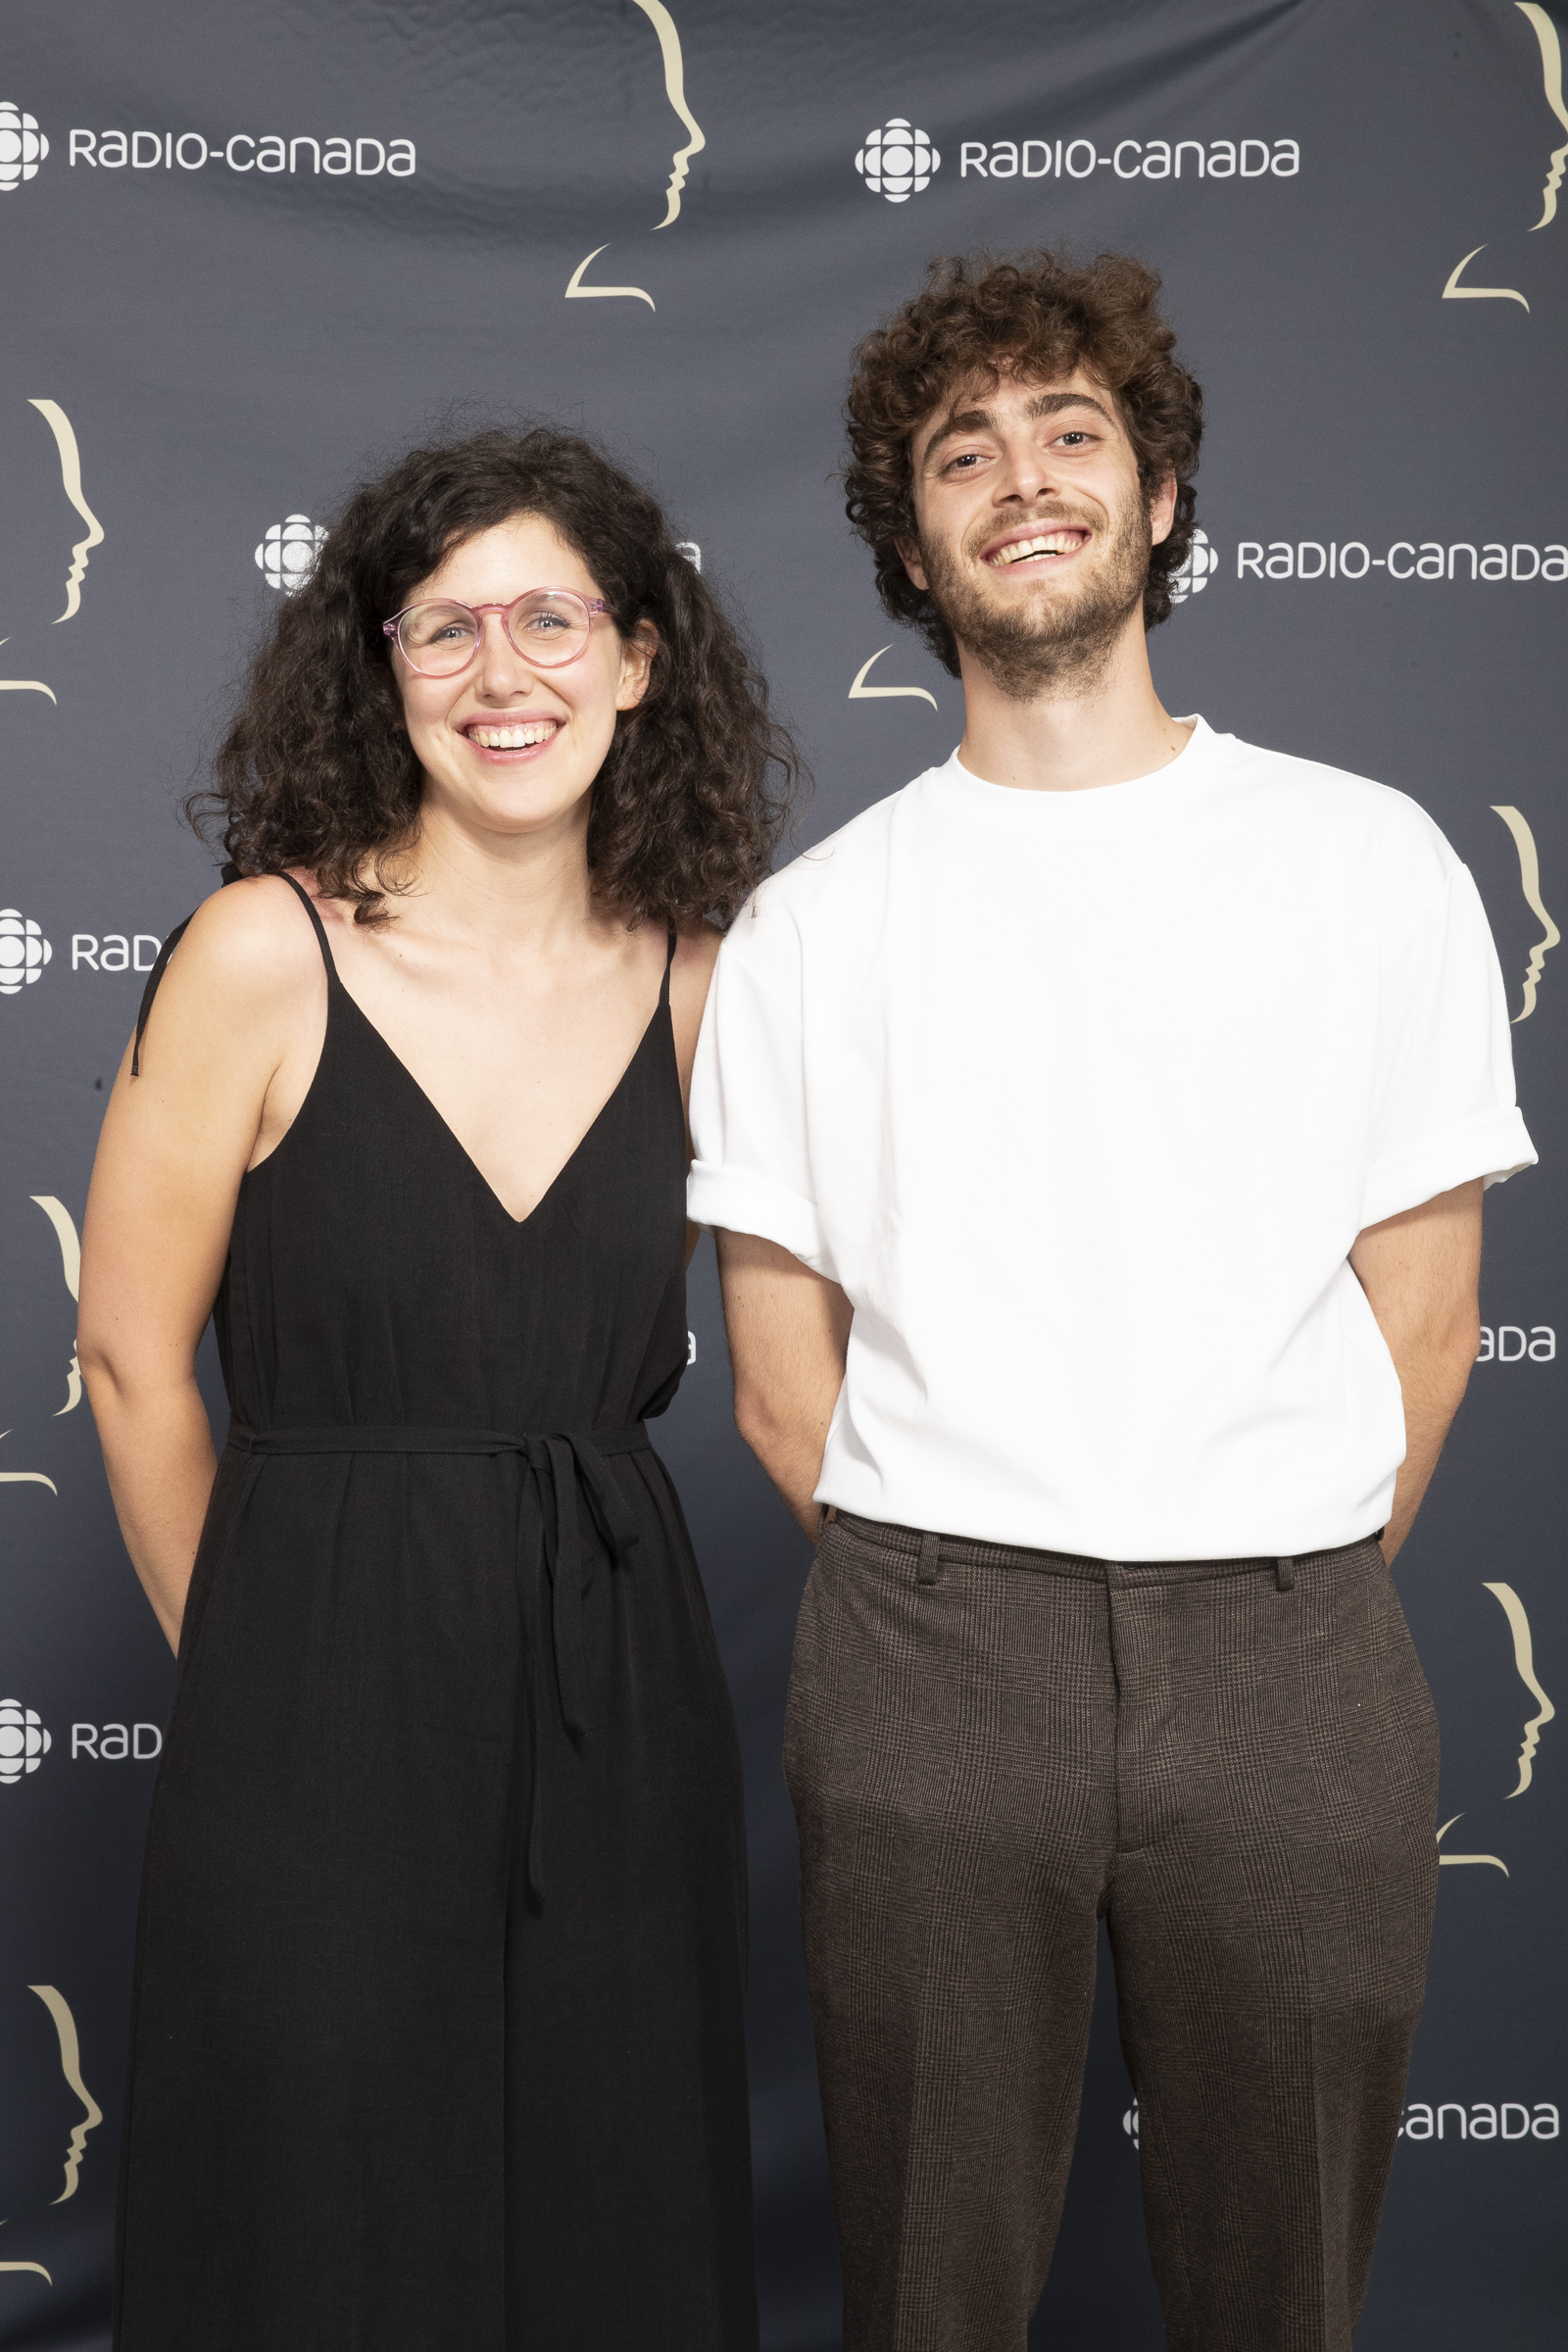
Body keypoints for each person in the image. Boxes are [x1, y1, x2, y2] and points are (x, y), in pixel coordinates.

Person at [688, 252, 1536, 2352]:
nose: (1024, 479)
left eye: (1072, 432)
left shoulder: (1368, 862)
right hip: (928, 1642)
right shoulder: (811, 926)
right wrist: (964, 1604)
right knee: (928, 2291)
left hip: (1288, 1646)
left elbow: (1426, 1325)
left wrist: (1259, 1581)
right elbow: (779, 1382)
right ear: (909, 545)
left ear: (1157, 498)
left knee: (1280, 2291)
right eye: (961, 453)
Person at [78, 425, 799, 2352]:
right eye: (445, 626)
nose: (503, 673)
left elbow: (812, 1357)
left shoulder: (708, 989)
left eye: (551, 619)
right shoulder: (263, 950)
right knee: (318, 2207)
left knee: (608, 2196)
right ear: (378, 666)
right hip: (311, 1674)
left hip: (615, 1677)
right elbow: (132, 1359)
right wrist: (256, 1669)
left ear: (637, 659)